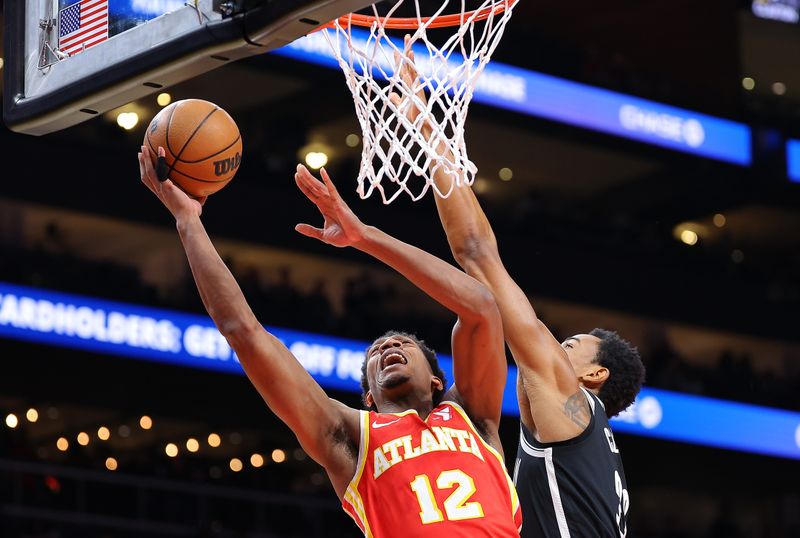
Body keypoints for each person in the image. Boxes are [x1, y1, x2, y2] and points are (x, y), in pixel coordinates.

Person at [138, 146, 521, 537]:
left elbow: (481, 307)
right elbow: (244, 332)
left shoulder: (472, 417)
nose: (387, 348)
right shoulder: (348, 436)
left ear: (438, 381)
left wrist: (365, 237)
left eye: (403, 344)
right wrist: (187, 220)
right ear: (369, 397)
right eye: (375, 352)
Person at [390, 45, 646, 537]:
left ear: (594, 372)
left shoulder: (570, 403)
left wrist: (424, 125)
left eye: (569, 345)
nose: (554, 344)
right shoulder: (593, 449)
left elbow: (477, 252)